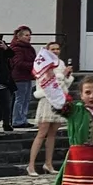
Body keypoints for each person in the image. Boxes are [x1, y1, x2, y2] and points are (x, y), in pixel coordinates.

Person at [27, 41, 72, 175]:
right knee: (42, 133)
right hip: (47, 100)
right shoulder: (44, 64)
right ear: (48, 50)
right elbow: (48, 82)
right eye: (53, 49)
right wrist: (62, 75)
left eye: (58, 49)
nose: (56, 51)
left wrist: (67, 76)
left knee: (53, 134)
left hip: (59, 100)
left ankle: (48, 164)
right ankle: (31, 165)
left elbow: (64, 84)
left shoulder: (61, 63)